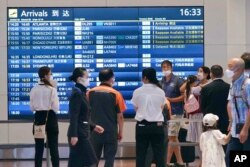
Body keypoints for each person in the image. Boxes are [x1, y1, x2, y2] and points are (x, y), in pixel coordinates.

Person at [87, 68, 126, 167]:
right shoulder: (116, 94)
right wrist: (120, 132)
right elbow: (120, 117)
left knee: (93, 159)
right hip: (110, 132)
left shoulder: (90, 93)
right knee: (110, 159)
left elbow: (85, 113)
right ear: (111, 79)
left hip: (94, 131)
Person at [67, 67, 104, 167]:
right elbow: (74, 116)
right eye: (87, 77)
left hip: (82, 131)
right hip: (79, 134)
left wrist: (93, 126)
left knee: (77, 163)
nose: (89, 79)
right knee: (91, 160)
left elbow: (83, 116)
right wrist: (74, 135)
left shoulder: (81, 92)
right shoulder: (77, 94)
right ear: (79, 79)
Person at [131, 67, 166, 167]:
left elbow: (136, 108)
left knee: (141, 153)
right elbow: (161, 108)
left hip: (142, 126)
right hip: (158, 126)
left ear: (145, 78)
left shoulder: (137, 91)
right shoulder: (161, 92)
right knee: (159, 154)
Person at [30, 66, 60, 167]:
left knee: (38, 149)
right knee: (54, 148)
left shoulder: (34, 89)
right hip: (50, 117)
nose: (51, 76)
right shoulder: (52, 90)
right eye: (50, 74)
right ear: (46, 75)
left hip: (38, 118)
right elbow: (56, 108)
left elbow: (32, 108)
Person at [225, 58, 250, 167]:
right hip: (236, 130)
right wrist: (231, 122)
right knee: (230, 159)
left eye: (231, 67)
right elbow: (230, 104)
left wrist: (245, 129)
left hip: (246, 130)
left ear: (239, 70)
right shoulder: (233, 84)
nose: (228, 70)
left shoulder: (247, 84)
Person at [160, 60, 185, 167]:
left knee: (171, 137)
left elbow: (184, 96)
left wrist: (170, 100)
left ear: (171, 67)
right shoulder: (161, 81)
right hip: (164, 114)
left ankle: (166, 162)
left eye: (167, 67)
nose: (165, 69)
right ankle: (180, 162)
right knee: (173, 137)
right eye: (163, 67)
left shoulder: (178, 80)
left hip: (176, 112)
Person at [200, 65, 230, 152]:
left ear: (211, 74)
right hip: (226, 121)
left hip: (211, 123)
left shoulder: (206, 88)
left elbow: (203, 106)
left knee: (211, 148)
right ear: (223, 74)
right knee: (225, 145)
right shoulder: (229, 87)